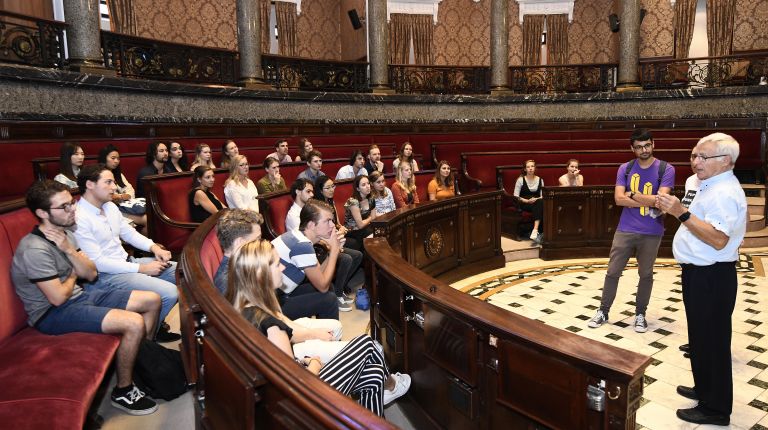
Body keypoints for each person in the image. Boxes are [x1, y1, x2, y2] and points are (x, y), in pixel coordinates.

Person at [12, 180, 161, 415]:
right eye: (64, 207)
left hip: (81, 295)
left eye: (71, 203)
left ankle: (144, 363)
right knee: (133, 322)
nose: (73, 210)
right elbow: (58, 298)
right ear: (42, 213)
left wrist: (69, 251)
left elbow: (90, 274)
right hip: (52, 314)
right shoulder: (34, 250)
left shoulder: (65, 233)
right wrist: (73, 273)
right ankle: (123, 390)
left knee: (152, 300)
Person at [227, 240, 410, 416]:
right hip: (302, 401)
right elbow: (293, 385)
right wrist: (314, 364)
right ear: (260, 274)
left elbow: (279, 364)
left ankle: (381, 400)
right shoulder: (272, 327)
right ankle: (392, 385)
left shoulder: (240, 309)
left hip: (282, 393)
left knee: (375, 374)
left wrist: (304, 361)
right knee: (367, 343)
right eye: (276, 264)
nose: (282, 268)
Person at [656, 133, 746, 426]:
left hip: (714, 275)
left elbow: (718, 240)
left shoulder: (726, 193)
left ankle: (716, 408)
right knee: (699, 338)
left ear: (725, 162)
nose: (695, 161)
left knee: (714, 341)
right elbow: (692, 215)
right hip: (694, 271)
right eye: (694, 155)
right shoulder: (699, 183)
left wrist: (679, 213)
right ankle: (704, 389)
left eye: (703, 157)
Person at [74, 164, 180, 342]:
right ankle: (146, 342)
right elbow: (97, 262)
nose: (114, 187)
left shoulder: (110, 207)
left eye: (114, 182)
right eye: (108, 182)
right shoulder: (79, 216)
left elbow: (128, 233)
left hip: (126, 262)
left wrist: (153, 247)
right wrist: (141, 268)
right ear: (90, 185)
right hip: (105, 276)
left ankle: (152, 325)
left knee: (182, 271)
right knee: (169, 292)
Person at [588, 129, 675, 333]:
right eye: (638, 147)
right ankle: (603, 310)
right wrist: (649, 199)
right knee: (612, 272)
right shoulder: (625, 168)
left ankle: (640, 314)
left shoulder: (666, 169)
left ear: (654, 144)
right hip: (625, 229)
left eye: (647, 145)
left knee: (645, 274)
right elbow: (618, 199)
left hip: (652, 231)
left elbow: (660, 201)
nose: (644, 150)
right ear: (632, 148)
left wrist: (633, 194)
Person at [273, 200, 362, 316]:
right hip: (273, 302)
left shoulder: (299, 236)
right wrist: (334, 251)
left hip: (279, 293)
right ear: (311, 225)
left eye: (332, 220)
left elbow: (320, 273)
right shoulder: (302, 245)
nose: (332, 225)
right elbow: (322, 286)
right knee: (328, 299)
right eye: (327, 221)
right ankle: (329, 332)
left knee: (330, 289)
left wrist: (331, 252)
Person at [213, 208, 264, 294]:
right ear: (240, 242)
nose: (261, 243)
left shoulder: (245, 261)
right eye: (257, 239)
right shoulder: (229, 283)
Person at [98, 144, 147, 232]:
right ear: (104, 158)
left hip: (125, 206)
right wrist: (122, 196)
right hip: (112, 210)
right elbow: (108, 197)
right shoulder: (99, 176)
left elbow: (130, 190)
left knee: (150, 218)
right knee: (146, 219)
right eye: (113, 158)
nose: (116, 161)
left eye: (118, 158)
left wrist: (121, 196)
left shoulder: (118, 175)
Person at [313, 175, 360, 251]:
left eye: (332, 186)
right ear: (320, 190)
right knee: (354, 243)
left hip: (336, 232)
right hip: (327, 237)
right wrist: (339, 232)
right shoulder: (317, 207)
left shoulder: (331, 201)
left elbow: (337, 223)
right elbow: (323, 230)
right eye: (328, 188)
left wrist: (341, 228)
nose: (332, 190)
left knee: (359, 235)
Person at [514, 160, 544, 242]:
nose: (530, 168)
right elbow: (516, 196)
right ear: (525, 169)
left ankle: (535, 230)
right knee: (540, 205)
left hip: (537, 202)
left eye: (532, 166)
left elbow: (542, 196)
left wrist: (536, 199)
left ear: (535, 168)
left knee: (540, 203)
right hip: (524, 203)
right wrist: (527, 201)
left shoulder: (540, 180)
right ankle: (537, 231)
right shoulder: (520, 180)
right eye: (528, 167)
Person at [344, 175, 377, 244]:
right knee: (371, 232)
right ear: (358, 189)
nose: (368, 186)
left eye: (368, 183)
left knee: (379, 230)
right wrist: (370, 217)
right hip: (352, 230)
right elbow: (360, 225)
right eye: (363, 185)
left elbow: (374, 218)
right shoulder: (353, 202)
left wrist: (370, 218)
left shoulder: (371, 199)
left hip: (366, 227)